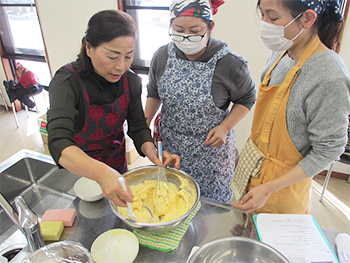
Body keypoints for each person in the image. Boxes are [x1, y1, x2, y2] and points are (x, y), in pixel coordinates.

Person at [47, 10, 180, 208]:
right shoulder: (67, 82)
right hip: (79, 171)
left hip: (116, 166)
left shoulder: (131, 81)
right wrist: (101, 173)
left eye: (128, 56)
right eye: (112, 57)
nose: (121, 66)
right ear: (89, 47)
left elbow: (137, 127)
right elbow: (58, 142)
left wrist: (153, 152)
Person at [233, 0, 350, 214]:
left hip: (281, 193)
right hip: (252, 174)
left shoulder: (329, 74)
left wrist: (269, 188)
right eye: (263, 15)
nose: (265, 24)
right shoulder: (281, 51)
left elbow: (329, 150)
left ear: (307, 19)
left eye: (273, 17)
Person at [145, 0, 256, 203]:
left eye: (195, 30)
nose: (186, 36)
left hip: (211, 154)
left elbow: (247, 98)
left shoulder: (231, 63)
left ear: (210, 27)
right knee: (171, 202)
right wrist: (143, 127)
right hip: (171, 149)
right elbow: (153, 93)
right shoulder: (162, 56)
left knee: (209, 210)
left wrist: (225, 127)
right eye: (178, 29)